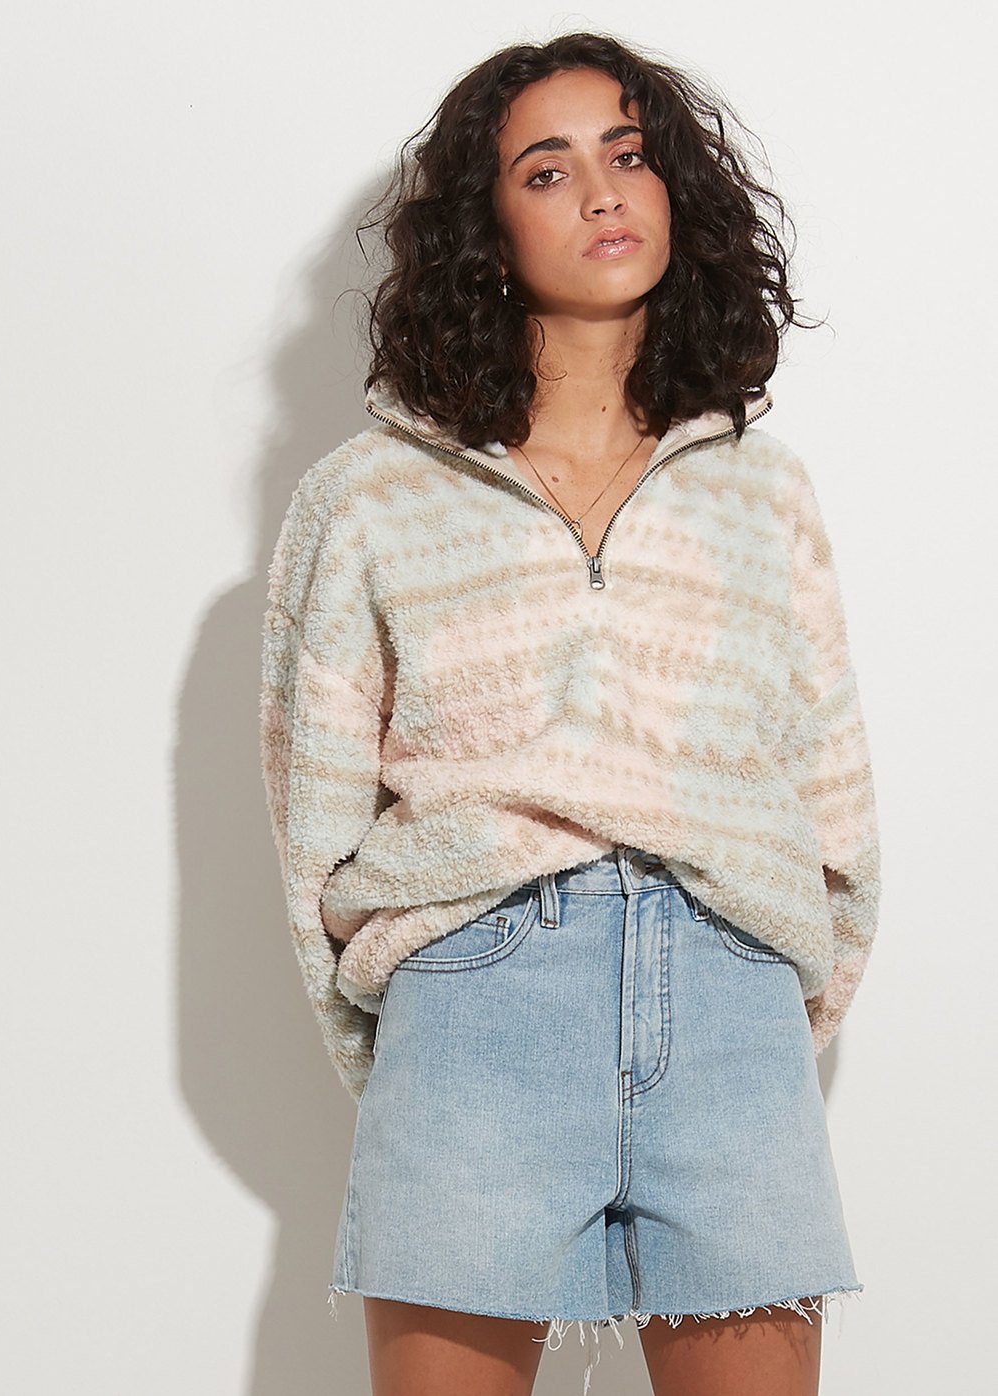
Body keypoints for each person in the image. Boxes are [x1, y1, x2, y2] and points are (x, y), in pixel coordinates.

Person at [258, 30, 880, 1396]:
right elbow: (314, 826)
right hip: (477, 1005)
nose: (602, 192)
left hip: (728, 1007)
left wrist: (765, 987)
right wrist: (417, 1033)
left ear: (675, 193)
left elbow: (831, 793)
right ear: (484, 231)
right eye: (546, 170)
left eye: (629, 154)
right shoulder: (369, 496)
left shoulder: (759, 488)